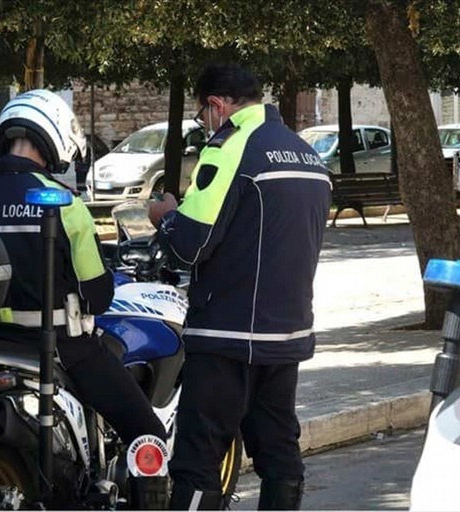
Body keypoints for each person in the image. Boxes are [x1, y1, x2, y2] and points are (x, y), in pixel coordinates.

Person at [0, 89, 168, 508]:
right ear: (54, 141)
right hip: (61, 349)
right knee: (146, 431)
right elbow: (99, 296)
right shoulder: (63, 204)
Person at [148, 63, 332, 510]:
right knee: (279, 455)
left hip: (226, 334)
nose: (205, 123)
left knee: (197, 462)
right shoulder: (306, 155)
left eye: (202, 114)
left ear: (216, 105)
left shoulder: (230, 147)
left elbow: (192, 244)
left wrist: (165, 217)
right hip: (286, 334)